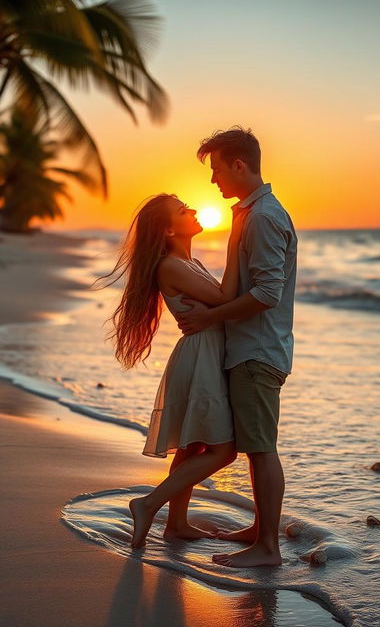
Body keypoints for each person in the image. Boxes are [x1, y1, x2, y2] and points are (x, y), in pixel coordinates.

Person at [177, 127, 297, 568]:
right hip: (251, 348)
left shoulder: (263, 217)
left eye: (217, 169)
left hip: (258, 350)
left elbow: (266, 292)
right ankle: (259, 531)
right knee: (255, 445)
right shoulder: (250, 213)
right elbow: (243, 286)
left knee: (262, 448)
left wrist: (208, 317)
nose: (213, 181)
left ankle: (267, 547)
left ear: (239, 165)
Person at [97, 193, 245, 548]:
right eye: (183, 210)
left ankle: (176, 524)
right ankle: (148, 504)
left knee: (192, 447)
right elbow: (227, 299)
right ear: (167, 229)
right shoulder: (172, 266)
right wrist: (237, 240)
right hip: (201, 359)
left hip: (202, 355)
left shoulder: (187, 262)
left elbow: (223, 298)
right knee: (223, 451)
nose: (193, 210)